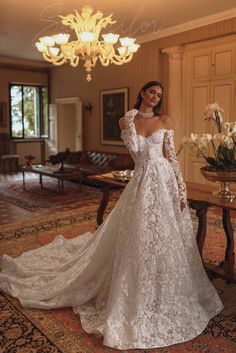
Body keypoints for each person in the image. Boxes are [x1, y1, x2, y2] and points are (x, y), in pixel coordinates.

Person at [0, 81, 223, 350]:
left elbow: (172, 157)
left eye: (159, 95)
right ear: (143, 92)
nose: (155, 97)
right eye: (152, 92)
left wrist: (181, 189)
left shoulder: (164, 119)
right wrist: (131, 122)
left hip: (163, 180)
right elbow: (137, 153)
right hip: (141, 182)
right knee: (138, 235)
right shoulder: (125, 120)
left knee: (166, 236)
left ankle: (168, 288)